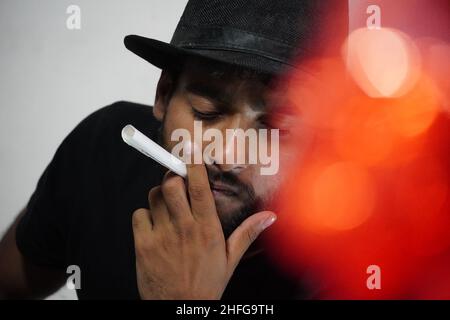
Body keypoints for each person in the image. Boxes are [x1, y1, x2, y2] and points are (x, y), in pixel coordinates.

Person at [0, 0, 347, 299]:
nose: (226, 156)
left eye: (274, 128)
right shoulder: (100, 151)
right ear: (164, 94)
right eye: (206, 112)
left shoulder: (348, 266)